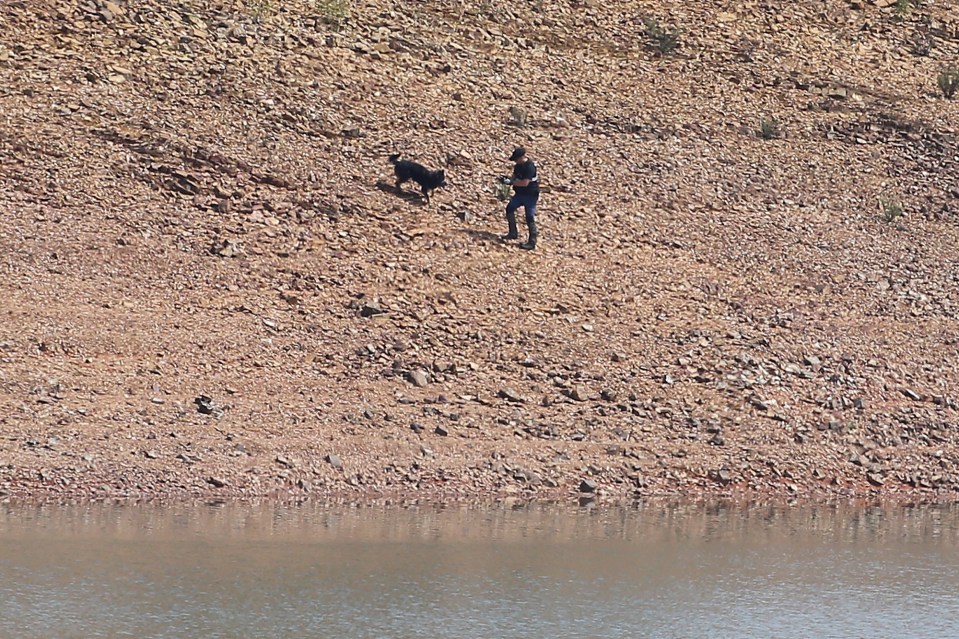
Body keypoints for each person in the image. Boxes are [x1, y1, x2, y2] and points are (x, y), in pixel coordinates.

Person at [502, 147, 540, 250]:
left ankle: (532, 242)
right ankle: (513, 232)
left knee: (529, 217)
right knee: (510, 208)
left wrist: (511, 182)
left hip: (530, 195)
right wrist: (506, 179)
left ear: (522, 157)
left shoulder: (530, 167)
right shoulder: (518, 166)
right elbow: (514, 177)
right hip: (520, 194)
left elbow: (524, 183)